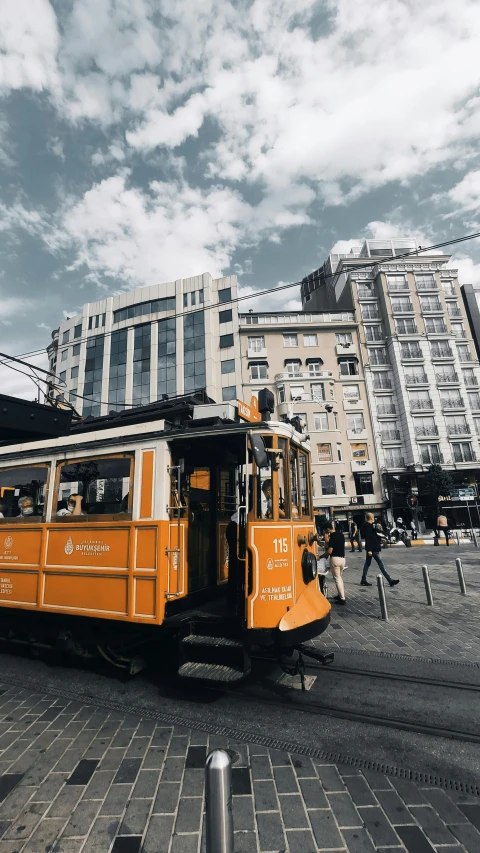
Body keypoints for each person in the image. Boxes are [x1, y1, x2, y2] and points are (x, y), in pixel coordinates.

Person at [360, 512, 399, 587]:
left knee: (367, 563)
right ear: (371, 518)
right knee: (381, 564)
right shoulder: (368, 526)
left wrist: (381, 539)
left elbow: (373, 536)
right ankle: (390, 580)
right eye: (373, 517)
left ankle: (363, 579)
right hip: (373, 549)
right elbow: (368, 538)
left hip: (372, 548)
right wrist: (369, 550)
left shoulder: (369, 526)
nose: (374, 518)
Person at [320, 522, 346, 605]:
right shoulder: (341, 535)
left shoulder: (333, 537)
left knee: (337, 579)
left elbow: (329, 551)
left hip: (335, 559)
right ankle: (340, 595)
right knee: (340, 578)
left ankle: (342, 599)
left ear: (328, 529)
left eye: (325, 531)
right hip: (342, 559)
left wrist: (320, 557)